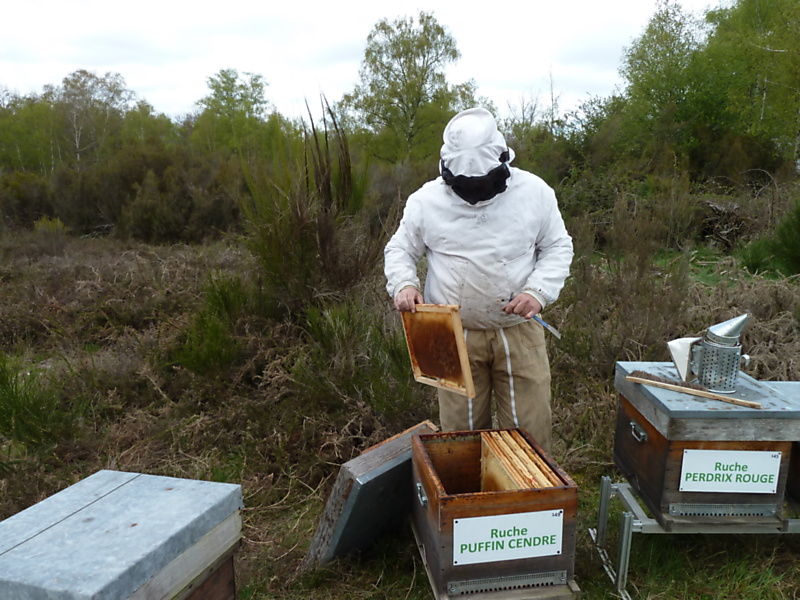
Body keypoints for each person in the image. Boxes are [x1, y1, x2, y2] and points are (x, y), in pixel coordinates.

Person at [384, 107, 573, 451]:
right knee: (462, 437)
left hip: (518, 328)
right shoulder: (425, 201)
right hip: (452, 333)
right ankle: (471, 487)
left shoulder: (535, 192)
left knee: (529, 436)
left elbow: (557, 246)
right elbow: (400, 249)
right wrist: (404, 284)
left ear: (502, 163)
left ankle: (525, 488)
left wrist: (538, 292)